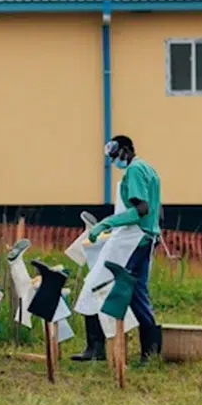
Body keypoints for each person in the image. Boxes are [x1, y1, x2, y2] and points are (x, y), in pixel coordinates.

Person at [82, 135, 163, 362]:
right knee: (137, 292)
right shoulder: (149, 169)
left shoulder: (134, 170)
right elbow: (157, 209)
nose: (116, 162)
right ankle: (151, 352)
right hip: (148, 238)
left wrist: (106, 223)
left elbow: (142, 209)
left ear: (126, 150)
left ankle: (96, 347)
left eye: (117, 156)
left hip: (134, 239)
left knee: (96, 283)